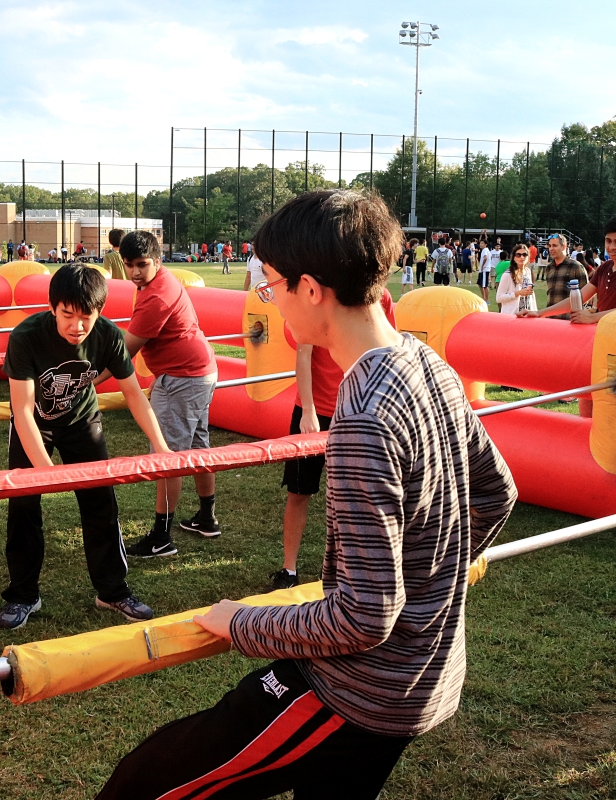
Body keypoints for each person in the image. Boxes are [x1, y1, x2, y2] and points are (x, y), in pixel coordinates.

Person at [96, 189, 517, 800]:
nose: (269, 301)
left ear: (312, 289)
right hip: (417, 678)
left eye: (271, 285)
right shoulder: (427, 361)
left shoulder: (364, 413)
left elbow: (366, 615)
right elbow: (497, 492)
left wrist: (242, 622)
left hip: (356, 693)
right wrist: (429, 585)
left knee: (146, 782)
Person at [0, 263, 171, 629]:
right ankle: (23, 595)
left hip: (82, 423)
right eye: (67, 315)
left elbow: (134, 395)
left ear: (100, 312)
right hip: (35, 427)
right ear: (52, 307)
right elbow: (23, 411)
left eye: (86, 317)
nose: (77, 326)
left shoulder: (108, 335)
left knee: (100, 504)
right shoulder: (26, 336)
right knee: (24, 507)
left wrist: (160, 446)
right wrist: (46, 473)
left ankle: (112, 591)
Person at [270, 285, 394, 591]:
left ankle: (352, 569)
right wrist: (308, 410)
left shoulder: (380, 294)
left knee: (354, 495)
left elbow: (386, 350)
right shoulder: (318, 294)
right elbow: (303, 353)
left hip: (357, 410)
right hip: (316, 411)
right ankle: (289, 568)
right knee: (300, 491)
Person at [117, 231, 220, 557]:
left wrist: (84, 380)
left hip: (182, 378)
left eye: (141, 265)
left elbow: (123, 355)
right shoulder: (159, 281)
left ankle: (161, 537)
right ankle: (206, 518)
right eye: (129, 265)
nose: (134, 272)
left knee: (166, 457)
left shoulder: (156, 295)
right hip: (198, 373)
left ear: (157, 261)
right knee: (197, 447)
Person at [521, 216, 616, 324]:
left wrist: (593, 317)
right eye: (608, 241)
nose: (612, 247)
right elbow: (579, 297)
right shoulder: (605, 267)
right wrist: (540, 313)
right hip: (602, 337)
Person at [538, 234, 588, 321]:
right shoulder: (549, 268)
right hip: (550, 319)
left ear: (564, 246)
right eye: (550, 246)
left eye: (555, 245)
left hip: (569, 320)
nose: (551, 249)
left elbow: (586, 296)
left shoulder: (576, 266)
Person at [498, 243, 536, 316]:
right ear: (514, 258)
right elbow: (499, 298)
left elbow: (531, 295)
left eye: (525, 255)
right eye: (518, 255)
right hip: (512, 316)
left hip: (527, 315)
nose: (522, 257)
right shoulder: (507, 275)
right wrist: (517, 293)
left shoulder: (527, 271)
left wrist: (534, 310)